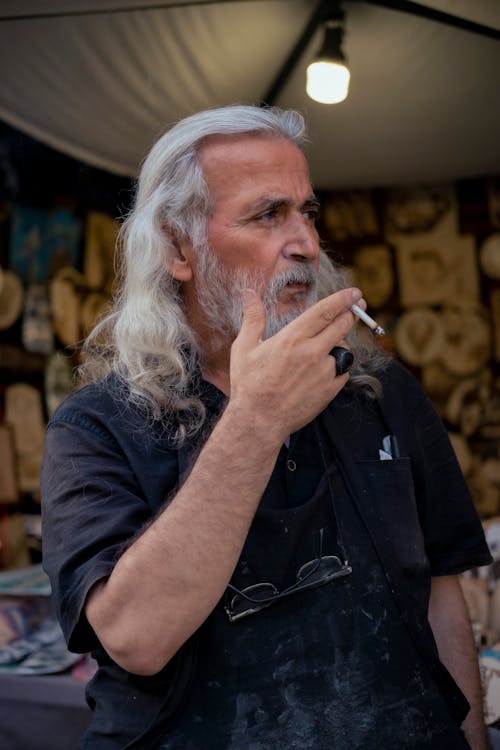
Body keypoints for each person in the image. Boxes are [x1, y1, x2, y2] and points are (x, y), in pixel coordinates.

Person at [41, 104, 492, 750]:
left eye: (307, 212)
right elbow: (137, 639)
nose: (306, 243)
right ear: (177, 248)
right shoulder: (96, 425)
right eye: (267, 214)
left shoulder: (379, 389)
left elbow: (441, 595)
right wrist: (257, 420)